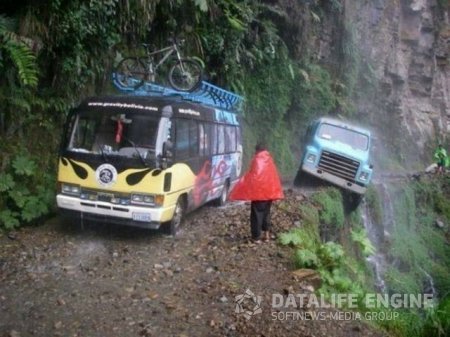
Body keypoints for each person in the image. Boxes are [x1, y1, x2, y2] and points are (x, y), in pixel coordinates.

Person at [229, 142, 284, 242]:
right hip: (269, 194)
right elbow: (273, 177)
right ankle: (267, 235)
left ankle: (256, 237)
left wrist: (243, 184)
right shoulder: (270, 160)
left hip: (259, 194)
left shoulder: (257, 160)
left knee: (256, 215)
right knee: (266, 213)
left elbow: (253, 176)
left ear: (257, 150)